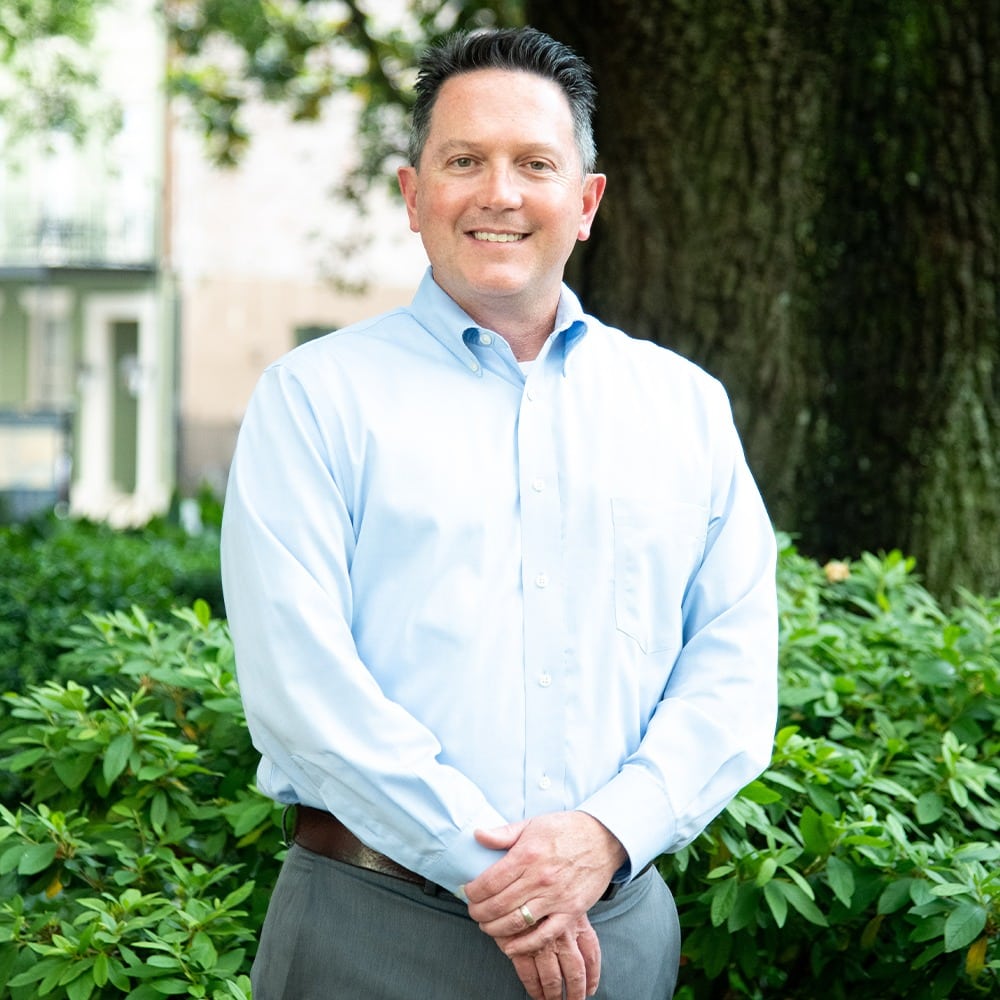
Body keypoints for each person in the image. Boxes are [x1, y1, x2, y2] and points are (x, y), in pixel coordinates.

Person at [220, 25, 778, 1000]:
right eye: (464, 161)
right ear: (411, 193)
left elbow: (733, 669)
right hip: (369, 929)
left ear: (586, 200)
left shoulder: (683, 407)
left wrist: (605, 835)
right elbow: (300, 684)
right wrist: (499, 874)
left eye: (535, 163)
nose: (500, 193)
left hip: (615, 938)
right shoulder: (314, 399)